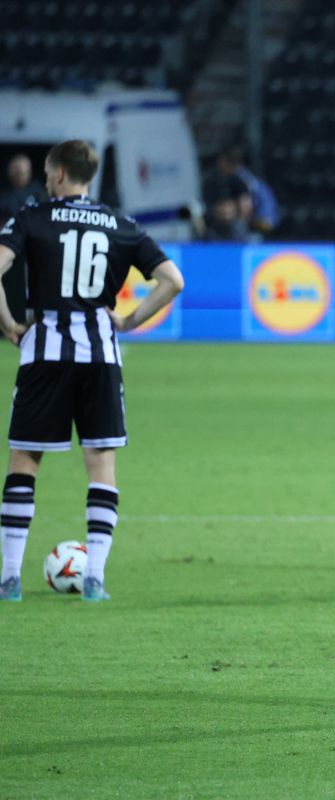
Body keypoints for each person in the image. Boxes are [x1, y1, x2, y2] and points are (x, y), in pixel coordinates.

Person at [0, 139, 185, 602]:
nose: (44, 178)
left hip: (45, 350)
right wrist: (128, 320)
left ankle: (8, 578)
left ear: (60, 172)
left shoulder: (31, 218)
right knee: (101, 464)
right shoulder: (122, 225)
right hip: (101, 353)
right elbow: (172, 280)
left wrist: (7, 322)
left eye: (47, 171)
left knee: (25, 461)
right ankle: (95, 579)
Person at [214, 146, 279, 236]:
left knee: (224, 212)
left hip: (262, 221)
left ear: (226, 162)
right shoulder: (244, 174)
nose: (218, 165)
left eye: (220, 161)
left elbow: (246, 206)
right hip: (269, 219)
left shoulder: (238, 178)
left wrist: (231, 215)